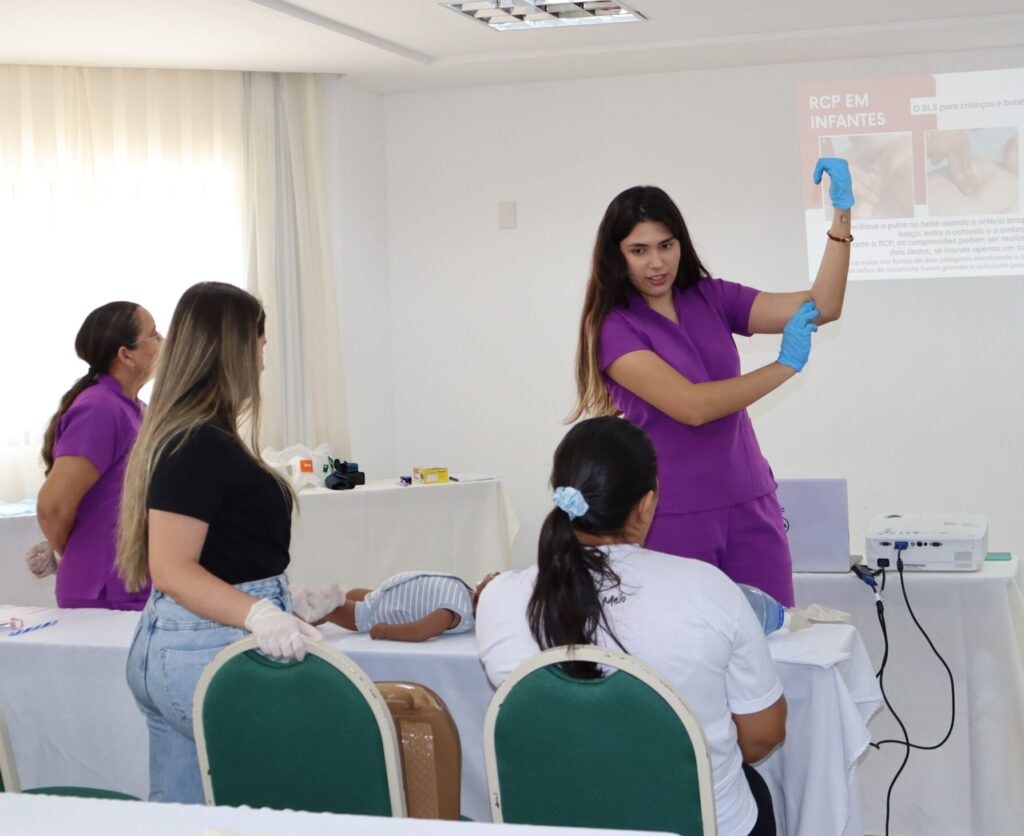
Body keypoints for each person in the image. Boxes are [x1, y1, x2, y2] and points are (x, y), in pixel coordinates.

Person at [476, 417, 785, 836]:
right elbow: (764, 734)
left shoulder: (499, 599)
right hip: (697, 824)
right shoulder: (708, 589)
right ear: (646, 503)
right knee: (754, 792)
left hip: (558, 822)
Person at [569, 158, 854, 606]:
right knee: (685, 641)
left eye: (666, 245)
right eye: (638, 250)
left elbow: (824, 305)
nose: (657, 262)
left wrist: (841, 217)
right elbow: (693, 407)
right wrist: (783, 366)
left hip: (750, 500)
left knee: (773, 635)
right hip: (671, 511)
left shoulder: (711, 296)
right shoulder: (612, 326)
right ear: (616, 255)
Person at [118, 282, 321, 804]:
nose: (263, 360)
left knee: (184, 816)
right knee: (263, 809)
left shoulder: (193, 435)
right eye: (260, 344)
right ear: (234, 347)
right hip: (208, 648)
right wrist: (259, 611)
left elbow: (220, 551)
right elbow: (172, 568)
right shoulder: (197, 442)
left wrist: (281, 599)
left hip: (184, 643)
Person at [28, 301, 161, 609]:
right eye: (154, 334)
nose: (162, 342)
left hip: (135, 583)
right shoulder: (100, 409)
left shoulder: (134, 408)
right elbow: (52, 506)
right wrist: (80, 552)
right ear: (125, 355)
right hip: (106, 591)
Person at [292, 571, 499, 642]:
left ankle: (305, 613)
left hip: (386, 612)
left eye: (498, 579)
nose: (496, 573)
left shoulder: (456, 610)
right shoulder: (465, 591)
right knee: (355, 594)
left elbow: (421, 630)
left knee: (338, 608)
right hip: (386, 595)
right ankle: (315, 617)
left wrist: (387, 631)